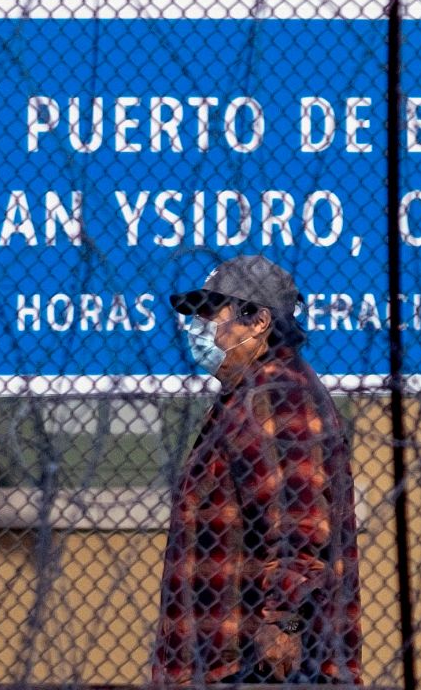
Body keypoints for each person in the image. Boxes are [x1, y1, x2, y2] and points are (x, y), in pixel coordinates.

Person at [152, 256, 362, 686]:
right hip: (226, 660)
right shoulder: (243, 396)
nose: (199, 326)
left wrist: (283, 622)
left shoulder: (277, 395)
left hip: (262, 665)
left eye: (213, 313)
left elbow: (299, 520)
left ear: (258, 321)